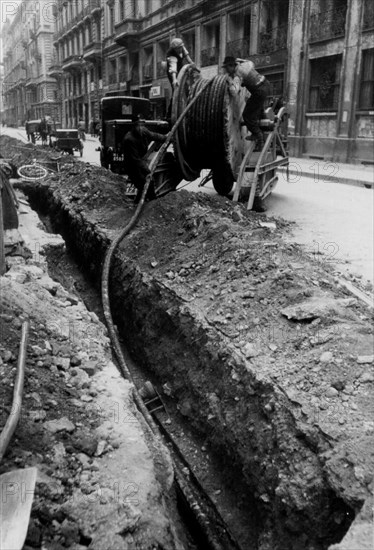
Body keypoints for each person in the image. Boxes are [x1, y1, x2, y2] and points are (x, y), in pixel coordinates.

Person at [222, 56, 271, 151]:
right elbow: (251, 63)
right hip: (265, 85)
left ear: (232, 65)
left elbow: (234, 92)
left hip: (259, 92)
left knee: (247, 115)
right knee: (256, 108)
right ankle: (263, 120)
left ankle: (258, 136)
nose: (226, 70)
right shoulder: (245, 64)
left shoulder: (237, 75)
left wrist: (229, 81)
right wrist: (240, 60)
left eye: (227, 67)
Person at [122, 115, 167, 204]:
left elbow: (154, 136)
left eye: (141, 125)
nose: (141, 127)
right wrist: (147, 170)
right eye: (138, 125)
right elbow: (135, 160)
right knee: (146, 182)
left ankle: (139, 202)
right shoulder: (129, 139)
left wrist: (166, 138)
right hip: (132, 166)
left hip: (140, 161)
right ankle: (152, 202)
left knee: (143, 186)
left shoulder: (143, 131)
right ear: (134, 127)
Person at [166, 38, 196, 121]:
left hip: (181, 68)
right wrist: (174, 80)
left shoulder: (182, 48)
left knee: (186, 89)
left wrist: (192, 64)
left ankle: (187, 110)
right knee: (176, 91)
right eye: (178, 48)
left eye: (181, 47)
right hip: (173, 72)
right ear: (174, 49)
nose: (180, 49)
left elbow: (187, 56)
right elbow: (173, 67)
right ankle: (169, 115)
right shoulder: (171, 54)